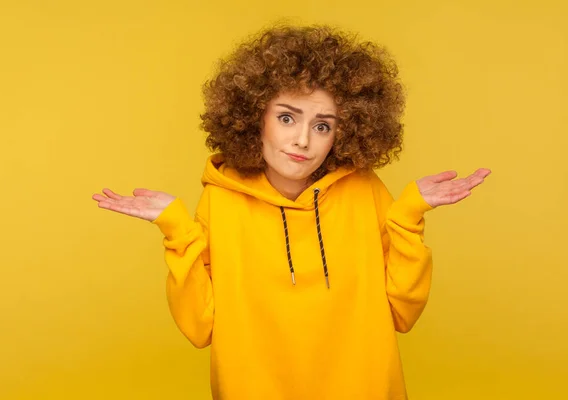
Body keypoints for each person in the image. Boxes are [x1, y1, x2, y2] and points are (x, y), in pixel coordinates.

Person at [92, 24, 490, 400]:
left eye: (322, 126)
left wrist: (407, 217)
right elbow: (200, 326)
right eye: (286, 118)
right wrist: (176, 227)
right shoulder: (221, 200)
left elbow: (402, 313)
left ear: (344, 131)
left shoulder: (365, 191)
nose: (302, 140)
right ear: (254, 118)